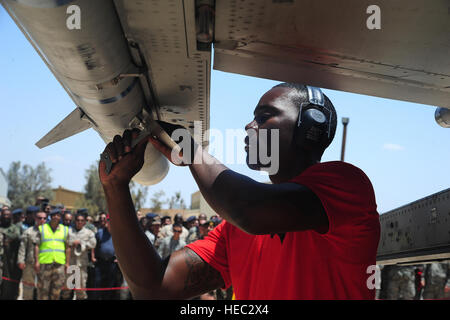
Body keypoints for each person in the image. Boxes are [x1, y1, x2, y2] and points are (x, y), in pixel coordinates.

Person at [98, 83, 380, 299]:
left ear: (310, 128)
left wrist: (191, 148)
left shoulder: (346, 185)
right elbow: (153, 289)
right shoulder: (234, 230)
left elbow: (248, 210)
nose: (248, 126)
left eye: (265, 117)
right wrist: (116, 188)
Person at [34, 208, 71, 300]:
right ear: (50, 216)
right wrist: (37, 262)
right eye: (54, 215)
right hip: (44, 264)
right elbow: (37, 246)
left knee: (56, 292)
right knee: (43, 291)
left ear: (60, 217)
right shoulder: (42, 228)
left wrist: (67, 263)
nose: (56, 217)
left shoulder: (65, 230)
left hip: (59, 264)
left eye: (58, 215)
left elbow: (68, 248)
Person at [61, 212, 97, 300]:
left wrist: (82, 244)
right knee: (67, 289)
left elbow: (93, 244)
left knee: (80, 290)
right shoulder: (69, 231)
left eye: (82, 221)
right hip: (70, 264)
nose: (79, 222)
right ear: (75, 221)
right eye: (77, 220)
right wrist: (71, 244)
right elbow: (64, 244)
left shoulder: (89, 233)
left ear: (85, 222)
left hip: (81, 265)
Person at [17, 210, 47, 300]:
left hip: (45, 264)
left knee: (43, 288)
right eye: (40, 218)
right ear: (35, 218)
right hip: (30, 264)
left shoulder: (49, 232)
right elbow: (22, 247)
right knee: (27, 287)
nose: (42, 220)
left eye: (44, 218)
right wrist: (21, 260)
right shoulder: (28, 232)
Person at [93, 216, 122, 300]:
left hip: (112, 263)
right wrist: (93, 257)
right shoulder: (100, 232)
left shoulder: (118, 233)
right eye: (109, 220)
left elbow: (122, 247)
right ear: (106, 221)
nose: (110, 222)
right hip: (100, 262)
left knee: (110, 285)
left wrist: (119, 258)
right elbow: (94, 246)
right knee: (97, 283)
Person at [0, 207, 22, 299]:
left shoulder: (14, 228)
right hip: (1, 259)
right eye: (4, 215)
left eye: (8, 215)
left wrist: (6, 236)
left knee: (9, 285)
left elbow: (16, 236)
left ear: (11, 217)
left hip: (11, 261)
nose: (6, 217)